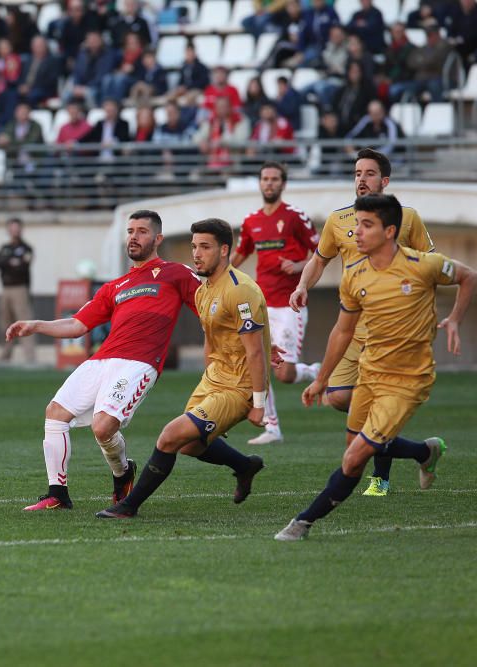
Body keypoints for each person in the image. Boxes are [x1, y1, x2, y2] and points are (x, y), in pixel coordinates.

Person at [275, 194, 475, 541]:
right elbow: (343, 330)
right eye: (356, 225)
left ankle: (302, 523)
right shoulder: (354, 275)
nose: (357, 233)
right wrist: (321, 380)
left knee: (354, 458)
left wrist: (454, 318)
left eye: (366, 225)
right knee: (355, 449)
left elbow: (468, 275)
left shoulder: (423, 264)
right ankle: (424, 451)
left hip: (408, 381)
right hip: (370, 374)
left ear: (390, 231)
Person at [7, 210, 200, 511]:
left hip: (139, 363)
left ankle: (122, 473)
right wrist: (36, 325)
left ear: (158, 238)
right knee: (55, 412)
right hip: (102, 360)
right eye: (130, 231)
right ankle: (58, 494)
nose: (134, 236)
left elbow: (210, 309)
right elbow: (77, 325)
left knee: (102, 427)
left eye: (142, 231)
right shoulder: (115, 286)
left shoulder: (176, 273)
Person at [96, 218, 269, 519]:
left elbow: (255, 352)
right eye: (193, 247)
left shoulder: (242, 291)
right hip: (214, 380)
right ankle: (245, 465)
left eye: (205, 247)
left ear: (224, 250)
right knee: (189, 445)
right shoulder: (203, 291)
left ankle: (128, 506)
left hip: (239, 386)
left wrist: (258, 404)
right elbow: (211, 341)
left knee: (169, 436)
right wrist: (208, 386)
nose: (196, 254)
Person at [290, 148, 438, 496]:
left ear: (384, 181)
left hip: (393, 332)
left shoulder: (408, 218)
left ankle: (380, 479)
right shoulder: (339, 220)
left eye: (369, 173)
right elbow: (319, 260)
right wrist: (301, 285)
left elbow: (429, 266)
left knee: (374, 401)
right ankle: (422, 451)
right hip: (353, 328)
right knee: (339, 398)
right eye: (357, 173)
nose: (361, 179)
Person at [231, 161, 320, 444]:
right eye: (265, 179)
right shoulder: (251, 221)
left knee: (285, 374)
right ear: (259, 183)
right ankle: (273, 428)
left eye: (274, 179)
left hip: (291, 304)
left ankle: (318, 372)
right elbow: (240, 254)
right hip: (261, 304)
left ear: (283, 184)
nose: (269, 183)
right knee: (257, 364)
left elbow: (323, 253)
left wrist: (298, 266)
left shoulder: (296, 217)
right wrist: (217, 276)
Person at [0, 219, 36, 364]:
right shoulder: (4, 247)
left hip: (20, 289)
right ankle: (5, 355)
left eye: (17, 228)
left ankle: (30, 357)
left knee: (25, 323)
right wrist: (11, 261)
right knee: (5, 323)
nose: (14, 231)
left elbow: (23, 266)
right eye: (12, 228)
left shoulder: (26, 248)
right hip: (6, 289)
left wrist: (9, 262)